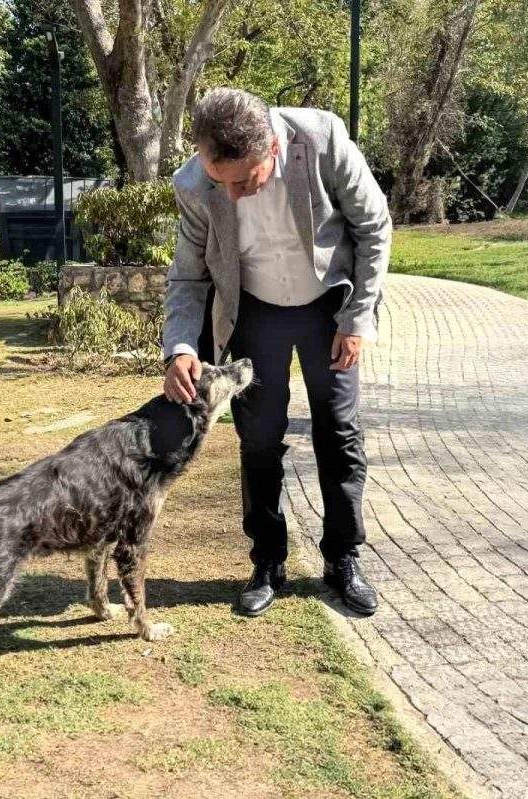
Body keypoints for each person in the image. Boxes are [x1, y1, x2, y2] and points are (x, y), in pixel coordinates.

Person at [161, 87, 391, 618]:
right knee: (259, 439)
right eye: (221, 181)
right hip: (255, 309)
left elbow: (373, 227)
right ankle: (267, 561)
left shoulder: (323, 139)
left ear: (272, 145)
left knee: (338, 430)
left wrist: (357, 319)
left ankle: (342, 557)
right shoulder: (195, 184)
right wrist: (180, 347)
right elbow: (188, 276)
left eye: (244, 180)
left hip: (327, 305)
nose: (232, 195)